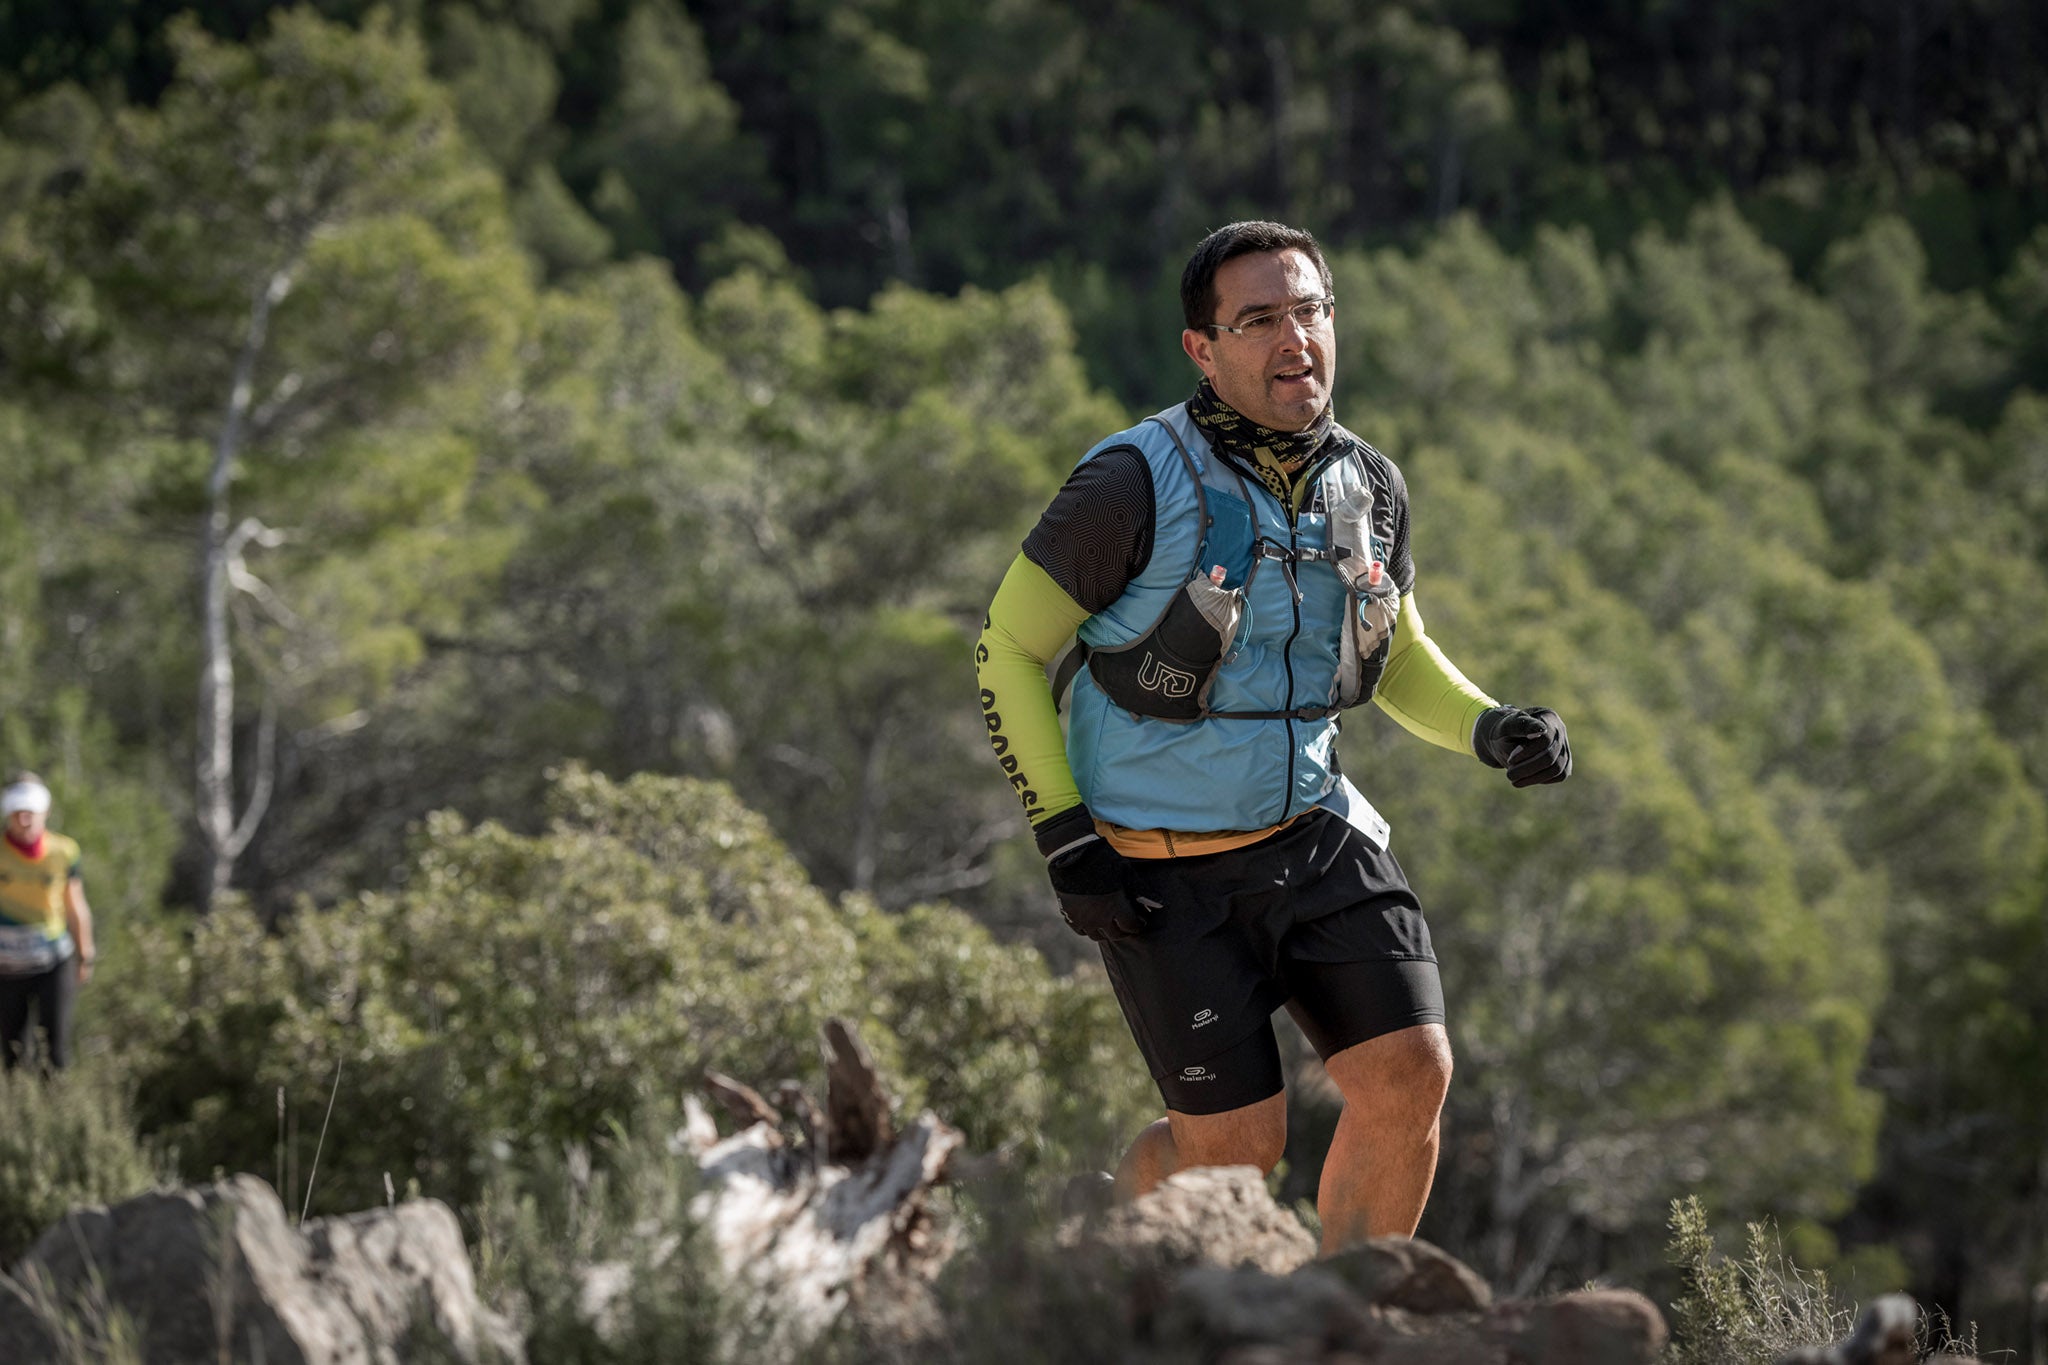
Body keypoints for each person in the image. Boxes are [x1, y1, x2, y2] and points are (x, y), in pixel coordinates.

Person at [975, 221, 1571, 1254]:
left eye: (1310, 310)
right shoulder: (1126, 485)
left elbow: (1396, 658)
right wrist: (1065, 837)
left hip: (1311, 831)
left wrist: (1490, 727)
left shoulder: (1367, 484)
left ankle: (1340, 1318)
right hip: (1158, 868)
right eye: (1258, 319)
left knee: (1409, 1073)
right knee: (1235, 1160)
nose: (1295, 337)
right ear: (1201, 349)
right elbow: (1005, 655)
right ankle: (1112, 1227)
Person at [0, 771, 95, 1071]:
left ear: (45, 812)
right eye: (17, 812)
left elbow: (75, 904)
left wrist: (85, 954)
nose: (24, 820)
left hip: (53, 964)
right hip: (6, 969)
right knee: (10, 1052)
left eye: (30, 812)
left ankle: (55, 1113)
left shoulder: (64, 851)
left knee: (55, 1052)